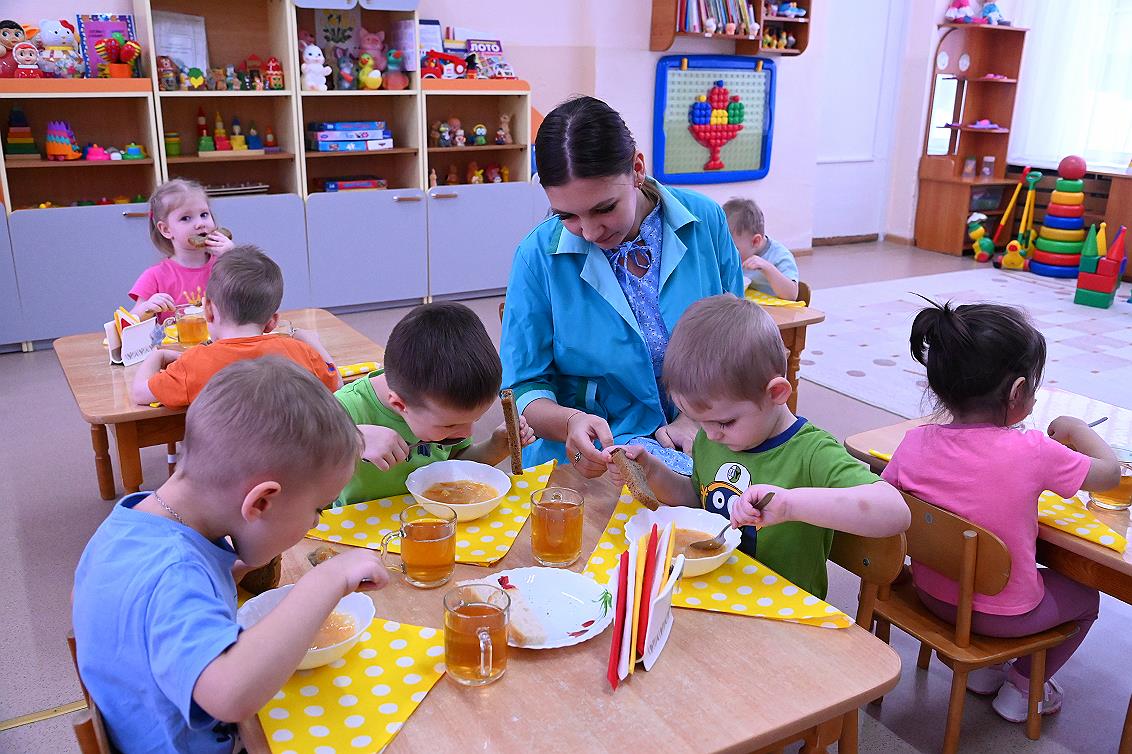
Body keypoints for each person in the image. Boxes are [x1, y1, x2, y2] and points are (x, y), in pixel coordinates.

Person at [73, 357, 388, 753]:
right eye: (317, 509)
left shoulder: (131, 525)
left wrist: (231, 571)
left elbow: (127, 613)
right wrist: (327, 580)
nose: (313, 525)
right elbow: (229, 694)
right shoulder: (175, 572)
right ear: (261, 502)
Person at [881, 300, 1119, 723]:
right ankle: (1024, 688)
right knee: (1086, 597)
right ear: (1017, 392)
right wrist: (1077, 428)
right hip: (1003, 616)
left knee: (986, 560)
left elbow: (886, 505)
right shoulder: (1034, 450)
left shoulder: (914, 442)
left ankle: (985, 673)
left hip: (932, 596)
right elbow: (1109, 476)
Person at [501, 96, 744, 477]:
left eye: (604, 208)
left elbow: (736, 339)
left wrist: (695, 418)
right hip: (594, 460)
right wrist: (569, 423)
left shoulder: (706, 220)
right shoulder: (537, 256)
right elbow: (522, 386)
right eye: (566, 216)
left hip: (708, 434)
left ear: (637, 169)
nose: (591, 232)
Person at [605, 295, 909, 598]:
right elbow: (697, 501)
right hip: (719, 591)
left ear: (776, 392)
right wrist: (652, 471)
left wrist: (790, 505)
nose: (710, 436)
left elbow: (895, 511)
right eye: (701, 422)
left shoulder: (812, 452)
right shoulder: (713, 439)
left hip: (785, 619)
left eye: (724, 423)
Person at [335, 302, 534, 506]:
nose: (467, 432)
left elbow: (455, 464)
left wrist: (495, 447)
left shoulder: (446, 412)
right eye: (449, 426)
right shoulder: (343, 408)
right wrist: (350, 438)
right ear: (400, 405)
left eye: (475, 420)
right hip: (358, 529)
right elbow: (302, 465)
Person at [130, 245, 341, 407]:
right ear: (272, 322)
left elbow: (140, 393)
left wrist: (155, 356)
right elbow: (336, 383)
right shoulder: (300, 352)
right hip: (293, 460)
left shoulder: (193, 364)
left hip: (223, 463)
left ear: (209, 311)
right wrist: (314, 343)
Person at [129, 178, 236, 320]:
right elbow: (129, 320)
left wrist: (234, 258)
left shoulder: (224, 266)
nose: (200, 224)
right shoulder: (155, 276)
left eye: (204, 214)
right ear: (166, 229)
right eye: (186, 218)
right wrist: (147, 307)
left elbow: (254, 294)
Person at [722, 197, 799, 301]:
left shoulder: (779, 256)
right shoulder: (737, 253)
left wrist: (767, 268)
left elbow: (791, 295)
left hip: (774, 314)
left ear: (755, 241)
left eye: (734, 249)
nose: (728, 254)